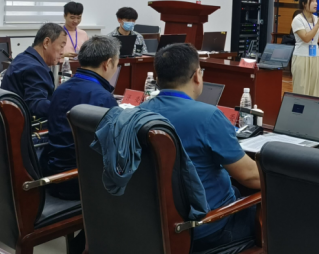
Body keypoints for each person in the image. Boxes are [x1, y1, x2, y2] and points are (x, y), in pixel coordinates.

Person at [140, 43, 259, 253]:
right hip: (208, 227)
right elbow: (250, 177)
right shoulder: (208, 117)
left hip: (154, 224)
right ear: (197, 75)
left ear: (157, 78)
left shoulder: (138, 112)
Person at [41, 35, 120, 200]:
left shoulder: (60, 89)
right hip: (81, 181)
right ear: (108, 63)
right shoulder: (103, 98)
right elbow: (114, 149)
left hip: (51, 173)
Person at [0, 23, 66, 119]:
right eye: (62, 46)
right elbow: (36, 105)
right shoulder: (36, 68)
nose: (63, 52)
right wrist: (64, 106)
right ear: (46, 42)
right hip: (26, 125)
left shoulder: (21, 57)